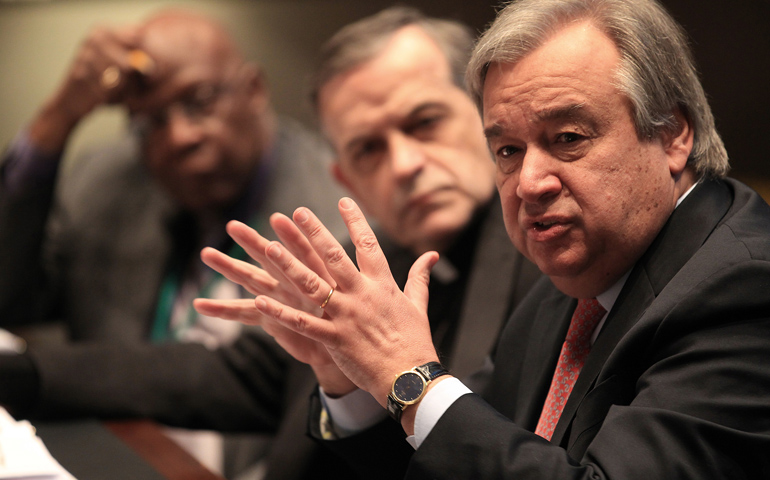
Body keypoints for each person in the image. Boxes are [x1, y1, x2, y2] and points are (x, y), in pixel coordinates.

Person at [203, 0, 770, 478]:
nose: (528, 183)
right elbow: (459, 455)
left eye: (568, 137)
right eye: (508, 151)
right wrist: (351, 378)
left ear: (672, 134)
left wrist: (413, 380)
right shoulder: (573, 281)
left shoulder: (742, 289)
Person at [193, 7, 540, 479]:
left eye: (424, 122)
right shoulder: (363, 268)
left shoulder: (554, 251)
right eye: (368, 149)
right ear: (346, 179)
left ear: (486, 116)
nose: (404, 164)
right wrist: (345, 388)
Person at [0, 9, 347, 476]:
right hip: (107, 453)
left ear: (254, 90)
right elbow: (10, 297)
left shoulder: (334, 215)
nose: (179, 135)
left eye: (200, 101)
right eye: (152, 121)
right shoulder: (107, 181)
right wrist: (56, 119)